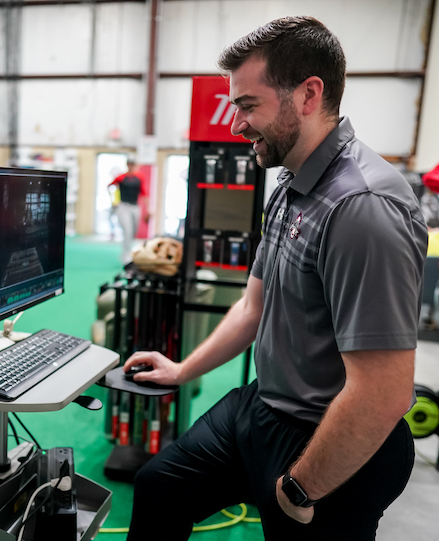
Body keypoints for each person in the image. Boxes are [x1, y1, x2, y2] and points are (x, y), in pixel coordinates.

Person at [123, 16, 427, 541]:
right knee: (157, 488)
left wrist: (301, 487)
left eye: (246, 106)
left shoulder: (362, 208)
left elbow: (384, 392)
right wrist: (182, 370)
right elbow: (252, 306)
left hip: (333, 442)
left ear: (309, 95)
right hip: (265, 407)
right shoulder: (290, 181)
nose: (235, 125)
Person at [108, 156, 149, 262]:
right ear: (127, 165)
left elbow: (144, 194)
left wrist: (148, 210)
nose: (131, 166)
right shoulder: (121, 177)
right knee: (127, 230)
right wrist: (114, 201)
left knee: (134, 231)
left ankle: (130, 251)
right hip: (123, 206)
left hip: (135, 207)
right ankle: (126, 254)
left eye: (133, 164)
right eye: (129, 164)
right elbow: (110, 187)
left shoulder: (139, 177)